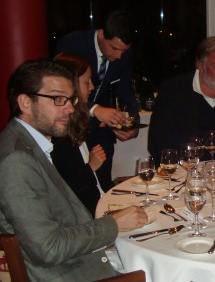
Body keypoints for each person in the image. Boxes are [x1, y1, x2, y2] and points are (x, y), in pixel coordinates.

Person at [0, 60, 148, 281]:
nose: (69, 108)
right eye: (58, 99)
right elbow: (48, 248)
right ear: (25, 103)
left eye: (71, 99)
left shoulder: (30, 144)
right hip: (73, 273)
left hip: (81, 259)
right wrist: (113, 224)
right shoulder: (16, 159)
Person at [55, 10, 139, 191]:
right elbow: (59, 89)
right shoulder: (73, 45)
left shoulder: (123, 55)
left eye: (124, 51)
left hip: (100, 132)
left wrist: (132, 122)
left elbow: (124, 89)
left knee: (102, 185)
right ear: (101, 34)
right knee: (77, 185)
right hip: (70, 127)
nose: (119, 56)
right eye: (114, 49)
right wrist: (95, 109)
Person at [52, 52, 106, 216]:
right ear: (72, 85)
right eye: (86, 81)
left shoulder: (77, 120)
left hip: (98, 205)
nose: (91, 86)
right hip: (84, 218)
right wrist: (91, 167)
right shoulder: (58, 130)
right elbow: (65, 188)